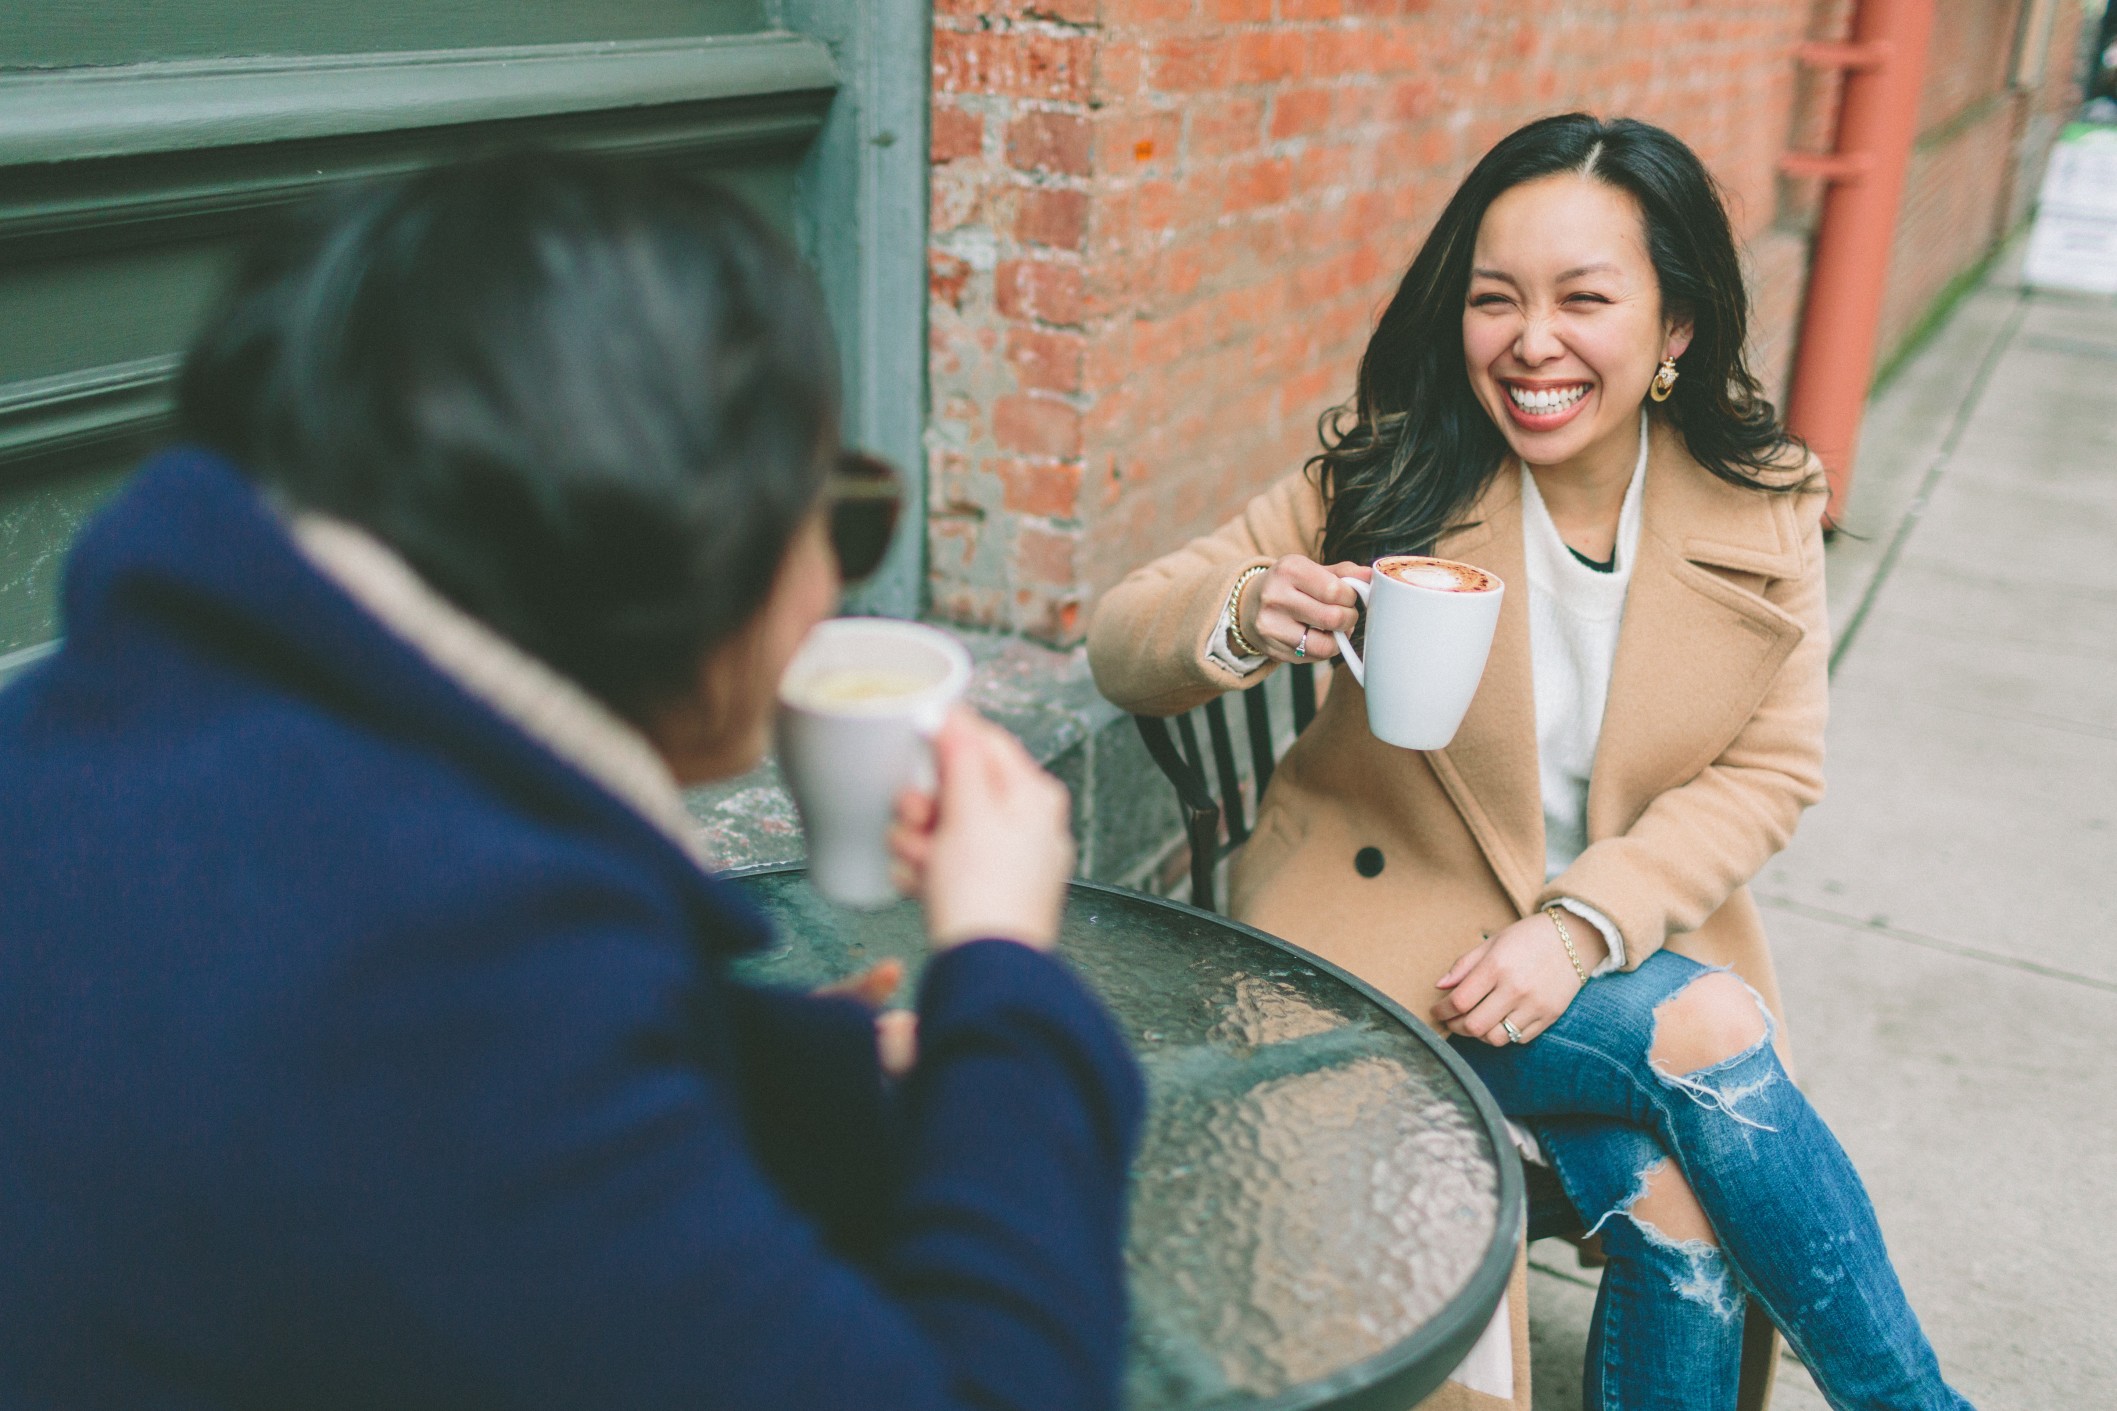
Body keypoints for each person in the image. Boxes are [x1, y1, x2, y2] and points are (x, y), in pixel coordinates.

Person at [0, 152, 1141, 1410]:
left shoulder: (110, 732)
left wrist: (762, 1065)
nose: (837, 583)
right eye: (835, 513)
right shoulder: (463, 968)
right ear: (678, 531)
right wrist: (1004, 967)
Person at [1089, 115, 1973, 1411]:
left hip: (1605, 946)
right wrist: (1239, 609)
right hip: (1379, 938)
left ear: (1673, 328)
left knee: (1674, 1193)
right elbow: (1123, 640)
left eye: (1583, 299)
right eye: (1494, 298)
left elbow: (1771, 770)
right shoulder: (1390, 469)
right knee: (1712, 1026)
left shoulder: (1764, 498)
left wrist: (1578, 923)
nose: (1530, 340)